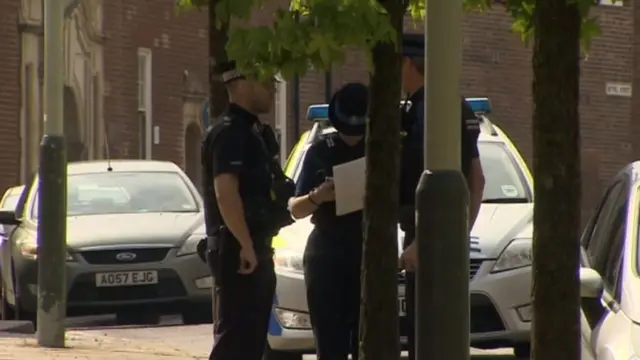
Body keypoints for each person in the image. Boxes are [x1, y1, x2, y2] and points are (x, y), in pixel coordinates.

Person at [397, 33, 486, 360]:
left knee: (427, 335)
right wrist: (460, 235)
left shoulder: (426, 111)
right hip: (443, 241)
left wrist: (423, 241)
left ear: (409, 64)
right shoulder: (455, 104)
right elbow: (477, 180)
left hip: (426, 242)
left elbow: (440, 182)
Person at [200, 61, 293, 360]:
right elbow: (225, 192)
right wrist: (245, 244)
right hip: (238, 249)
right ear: (242, 84)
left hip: (253, 246)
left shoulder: (252, 132)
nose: (272, 89)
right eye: (266, 82)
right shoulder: (229, 133)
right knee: (235, 343)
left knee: (250, 342)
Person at [288, 83, 369, 360]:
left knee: (367, 336)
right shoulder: (320, 150)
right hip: (327, 248)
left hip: (367, 247)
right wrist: (318, 196)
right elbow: (295, 209)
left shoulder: (380, 149)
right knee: (329, 337)